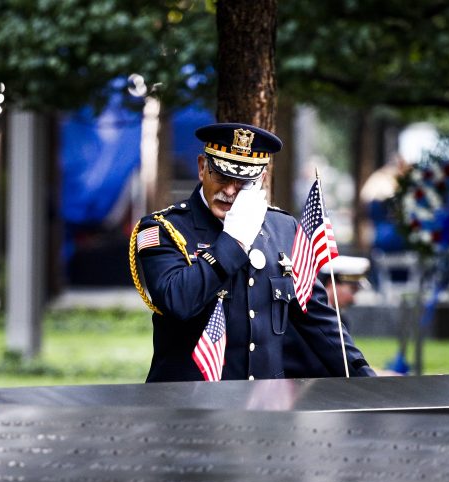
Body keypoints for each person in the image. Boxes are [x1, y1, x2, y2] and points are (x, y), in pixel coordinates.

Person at [131, 122, 374, 381]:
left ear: (262, 179)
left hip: (265, 401)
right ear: (203, 168)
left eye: (244, 182)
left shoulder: (283, 227)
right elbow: (176, 301)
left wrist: (363, 374)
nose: (229, 191)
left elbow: (316, 317)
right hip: (190, 401)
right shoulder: (163, 228)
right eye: (222, 177)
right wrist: (232, 241)